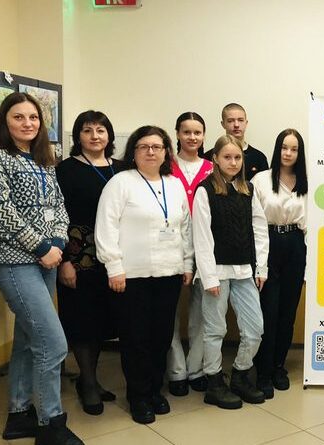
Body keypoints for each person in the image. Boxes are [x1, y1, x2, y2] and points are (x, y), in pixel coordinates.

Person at [0, 92, 83, 445]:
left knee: (26, 340)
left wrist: (58, 243)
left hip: (48, 261)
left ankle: (19, 414)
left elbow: (59, 206)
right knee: (52, 342)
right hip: (15, 263)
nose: (27, 123)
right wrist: (42, 247)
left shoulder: (43, 160)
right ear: (4, 122)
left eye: (33, 117)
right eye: (18, 117)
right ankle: (51, 425)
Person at [95, 126, 194, 425]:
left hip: (169, 273)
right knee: (135, 338)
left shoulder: (174, 185)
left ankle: (154, 390)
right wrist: (114, 266)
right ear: (133, 152)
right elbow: (106, 227)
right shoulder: (120, 183)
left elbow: (185, 228)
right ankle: (137, 396)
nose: (151, 152)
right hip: (131, 276)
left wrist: (187, 264)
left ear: (166, 152)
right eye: (144, 147)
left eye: (157, 147)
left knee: (161, 337)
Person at [56, 110, 126, 416]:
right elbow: (57, 218)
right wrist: (64, 261)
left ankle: (91, 379)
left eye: (100, 130)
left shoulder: (122, 169)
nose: (95, 136)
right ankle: (87, 383)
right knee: (82, 321)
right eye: (87, 130)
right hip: (78, 257)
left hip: (113, 259)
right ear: (78, 136)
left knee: (102, 321)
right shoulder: (66, 170)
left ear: (109, 135)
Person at [195, 134, 269, 409]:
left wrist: (261, 268)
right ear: (215, 158)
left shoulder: (248, 190)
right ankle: (214, 383)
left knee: (255, 329)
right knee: (216, 330)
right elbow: (202, 237)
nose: (233, 162)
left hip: (244, 270)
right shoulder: (205, 191)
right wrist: (209, 277)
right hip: (216, 271)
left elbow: (260, 231)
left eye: (237, 157)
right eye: (227, 157)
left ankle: (240, 375)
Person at [251, 129, 308, 399]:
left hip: (295, 245)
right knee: (268, 311)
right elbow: (254, 221)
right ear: (277, 149)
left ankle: (278, 367)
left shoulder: (306, 181)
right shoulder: (261, 180)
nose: (288, 153)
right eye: (284, 147)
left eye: (294, 149)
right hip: (269, 243)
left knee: (288, 311)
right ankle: (262, 371)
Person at [166, 112, 214, 397]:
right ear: (177, 133)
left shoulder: (212, 167)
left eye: (197, 132)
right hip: (172, 246)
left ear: (204, 135)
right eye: (187, 132)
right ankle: (176, 370)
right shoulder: (165, 165)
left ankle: (196, 368)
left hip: (206, 247)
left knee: (201, 310)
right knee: (169, 309)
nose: (192, 137)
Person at [204, 103, 268, 179]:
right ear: (223, 124)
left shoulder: (259, 158)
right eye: (230, 121)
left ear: (246, 123)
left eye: (240, 120)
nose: (236, 125)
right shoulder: (208, 157)